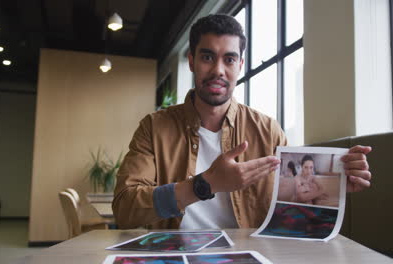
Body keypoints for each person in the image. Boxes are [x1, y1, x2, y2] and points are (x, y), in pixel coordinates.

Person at [113, 14, 372, 230]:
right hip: (175, 254)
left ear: (240, 65)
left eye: (229, 59)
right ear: (191, 61)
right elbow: (125, 209)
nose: (218, 70)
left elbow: (290, 212)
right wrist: (204, 185)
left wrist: (337, 188)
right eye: (207, 57)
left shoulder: (268, 131)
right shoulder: (154, 127)